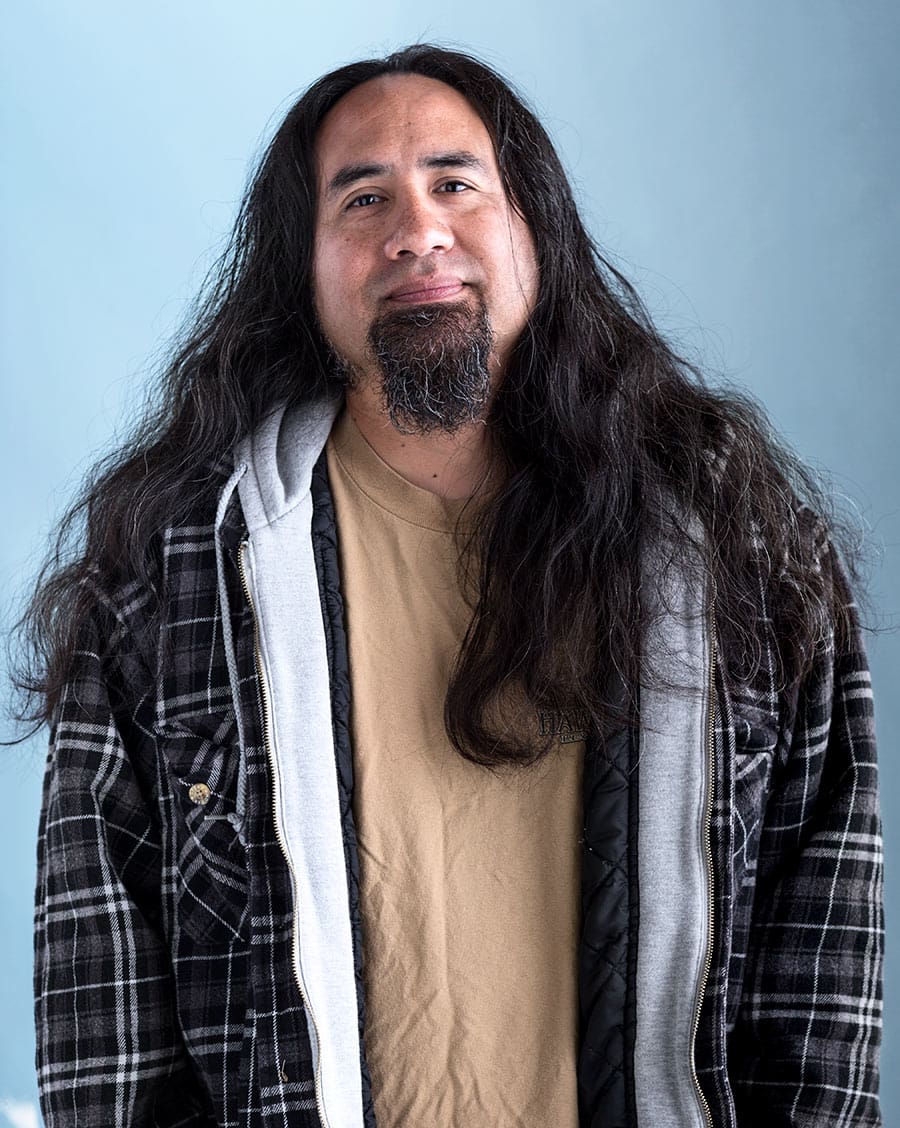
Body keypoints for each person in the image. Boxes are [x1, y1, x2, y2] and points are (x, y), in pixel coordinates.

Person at [20, 43, 882, 1128]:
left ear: (535, 231)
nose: (416, 230)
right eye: (363, 197)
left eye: (455, 183)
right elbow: (100, 1000)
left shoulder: (743, 549)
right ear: (304, 270)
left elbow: (826, 976)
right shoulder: (171, 569)